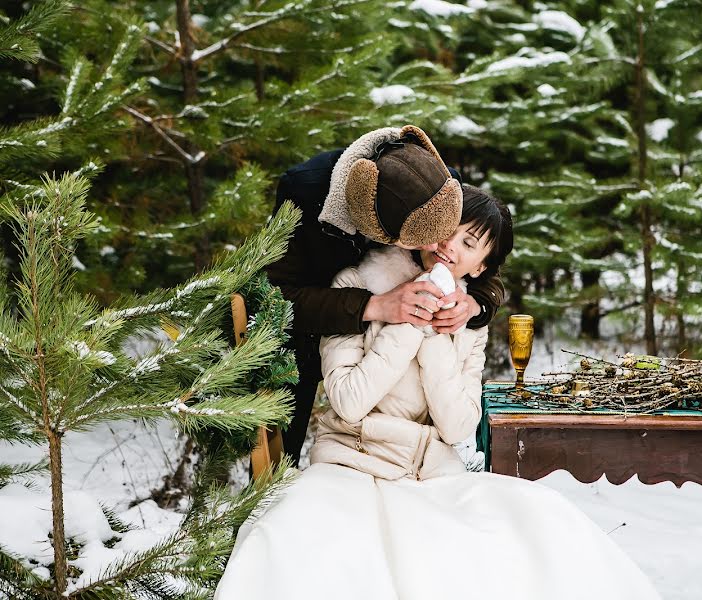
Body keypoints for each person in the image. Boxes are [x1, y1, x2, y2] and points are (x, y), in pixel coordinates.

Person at [215, 186, 660, 600]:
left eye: (469, 244)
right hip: (351, 463)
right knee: (325, 558)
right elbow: (349, 401)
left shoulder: (468, 320)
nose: (450, 247)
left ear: (479, 267)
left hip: (431, 473)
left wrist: (434, 337)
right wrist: (405, 323)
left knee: (541, 523)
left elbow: (460, 424)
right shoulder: (358, 284)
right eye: (448, 230)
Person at [266, 125, 505, 459]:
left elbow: (482, 264)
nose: (437, 248)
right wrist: (374, 306)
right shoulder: (304, 192)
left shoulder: (439, 182)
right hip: (304, 343)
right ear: (376, 229)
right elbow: (275, 301)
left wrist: (477, 303)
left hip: (412, 439)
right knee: (282, 467)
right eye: (420, 237)